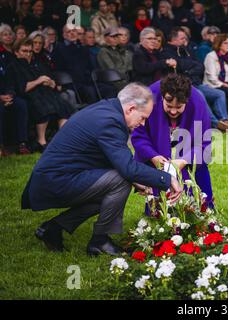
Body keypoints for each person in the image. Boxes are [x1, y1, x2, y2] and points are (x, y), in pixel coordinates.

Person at [22, 82, 182, 256]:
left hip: (59, 176)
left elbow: (114, 160)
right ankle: (100, 241)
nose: (142, 124)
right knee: (120, 182)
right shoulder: (110, 122)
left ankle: (53, 228)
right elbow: (127, 168)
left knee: (111, 193)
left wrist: (136, 179)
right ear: (131, 109)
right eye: (142, 117)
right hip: (55, 181)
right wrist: (167, 179)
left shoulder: (108, 110)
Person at [131, 74, 214, 206]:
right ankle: (160, 210)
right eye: (169, 105)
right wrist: (153, 156)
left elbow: (203, 144)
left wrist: (183, 160)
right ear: (162, 97)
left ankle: (199, 209)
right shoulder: (147, 99)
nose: (173, 111)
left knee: (198, 202)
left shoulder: (198, 104)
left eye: (179, 107)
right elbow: (139, 135)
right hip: (156, 149)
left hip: (188, 151)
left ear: (187, 101)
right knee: (158, 210)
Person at [6, 39, 75, 151]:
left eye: (30, 51)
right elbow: (22, 88)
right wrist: (38, 81)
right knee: (43, 107)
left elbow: (51, 79)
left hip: (45, 93)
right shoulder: (13, 66)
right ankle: (41, 141)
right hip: (28, 96)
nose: (27, 54)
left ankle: (63, 139)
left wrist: (51, 83)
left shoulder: (37, 64)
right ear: (16, 52)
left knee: (63, 107)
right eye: (24, 51)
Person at [0, 24, 30, 156]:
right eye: (4, 34)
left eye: (9, 34)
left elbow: (10, 79)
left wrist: (9, 95)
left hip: (9, 92)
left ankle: (22, 144)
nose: (8, 36)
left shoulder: (12, 57)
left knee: (21, 104)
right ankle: (1, 146)